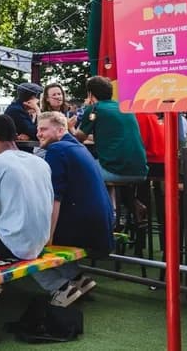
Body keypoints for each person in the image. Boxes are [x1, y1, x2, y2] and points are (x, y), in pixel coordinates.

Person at [0, 115, 83, 307]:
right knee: (13, 238)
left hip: (17, 242)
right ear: (15, 135)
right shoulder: (40, 162)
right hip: (42, 237)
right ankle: (61, 285)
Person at [35, 111, 114, 299]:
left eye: (44, 129)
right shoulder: (78, 147)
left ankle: (61, 289)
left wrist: (48, 238)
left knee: (27, 241)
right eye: (38, 129)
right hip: (101, 227)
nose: (38, 133)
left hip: (85, 230)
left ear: (61, 130)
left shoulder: (57, 150)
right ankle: (77, 278)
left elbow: (55, 198)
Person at [74, 76, 148, 183]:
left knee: (76, 169)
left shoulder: (94, 109)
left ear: (90, 94)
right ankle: (115, 199)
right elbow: (111, 136)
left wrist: (70, 127)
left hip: (116, 171)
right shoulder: (124, 107)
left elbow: (79, 137)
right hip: (140, 171)